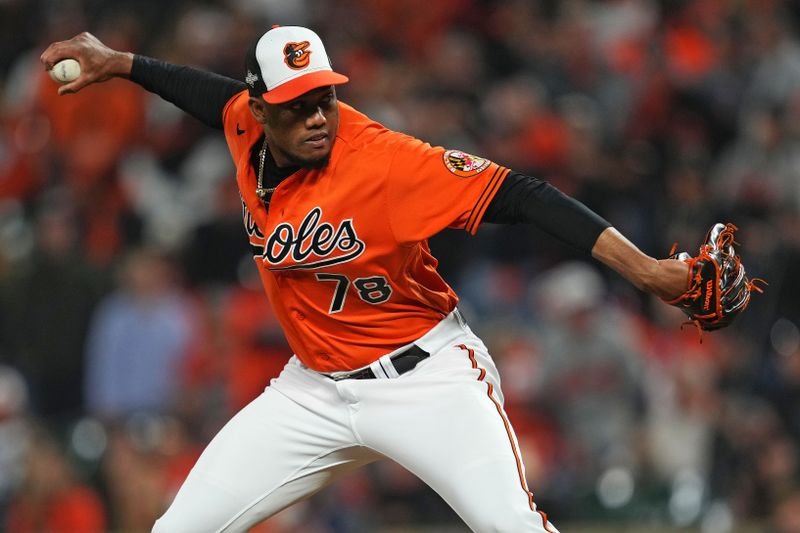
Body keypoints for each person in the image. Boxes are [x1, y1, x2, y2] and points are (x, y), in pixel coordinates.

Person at [41, 26, 690, 533]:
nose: (318, 115)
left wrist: (647, 270)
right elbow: (206, 94)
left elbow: (523, 193)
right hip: (313, 392)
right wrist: (123, 63)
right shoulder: (244, 123)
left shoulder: (383, 161)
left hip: (426, 378)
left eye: (324, 96)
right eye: (298, 104)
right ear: (262, 110)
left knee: (510, 524)